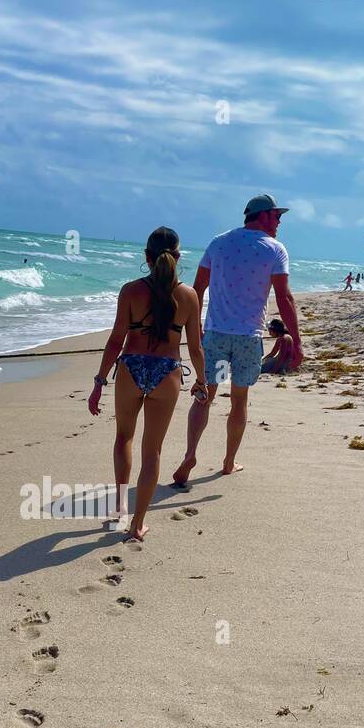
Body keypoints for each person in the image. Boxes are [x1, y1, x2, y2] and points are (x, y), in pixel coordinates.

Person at [171, 193, 302, 487]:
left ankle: (191, 454)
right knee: (240, 400)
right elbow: (284, 297)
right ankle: (229, 462)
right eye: (276, 216)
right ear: (262, 216)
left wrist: (194, 328)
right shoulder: (275, 250)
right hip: (247, 339)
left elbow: (197, 289)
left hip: (216, 335)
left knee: (205, 396)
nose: (280, 221)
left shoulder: (219, 242)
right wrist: (298, 341)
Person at [88, 226, 206, 543]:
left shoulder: (130, 291)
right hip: (167, 373)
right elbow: (196, 347)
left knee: (124, 437)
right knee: (151, 451)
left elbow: (116, 341)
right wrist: (202, 381)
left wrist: (100, 381)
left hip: (131, 368)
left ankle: (119, 507)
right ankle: (137, 525)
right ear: (178, 257)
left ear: (146, 257)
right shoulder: (189, 296)